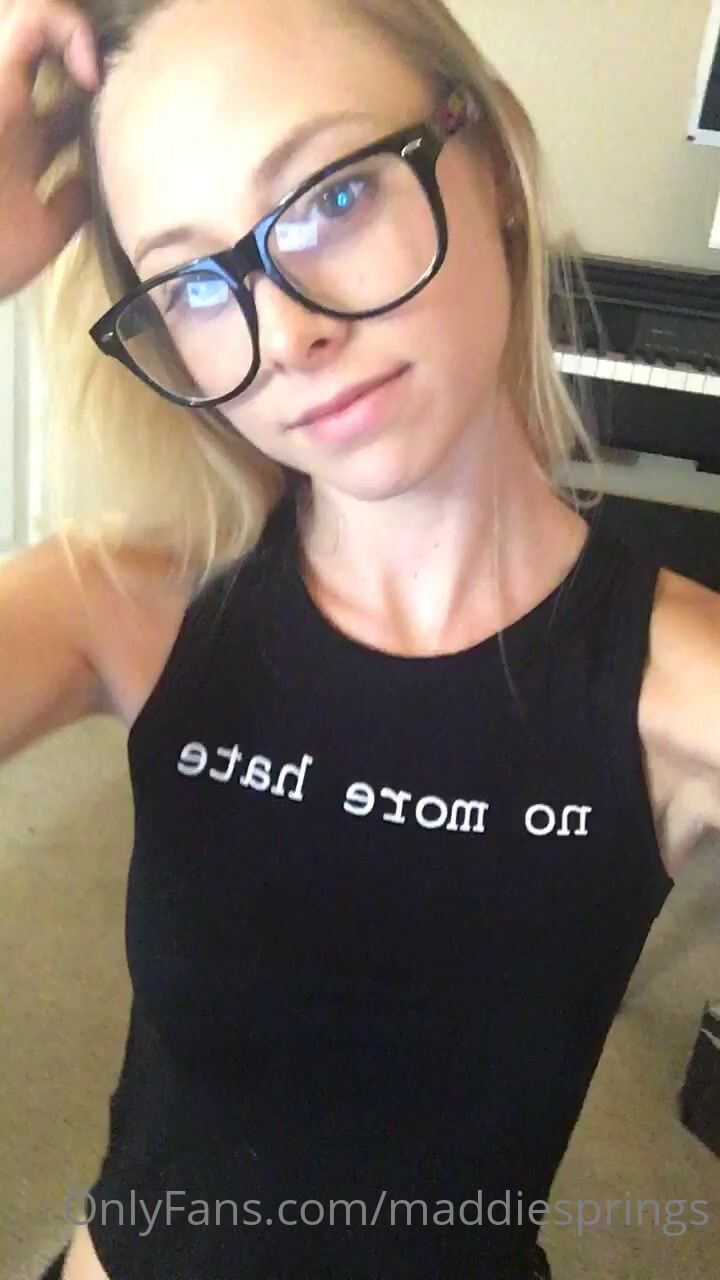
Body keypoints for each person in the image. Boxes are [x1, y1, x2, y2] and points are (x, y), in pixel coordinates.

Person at [1, 1, 719, 1278]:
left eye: (332, 196)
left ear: (490, 163)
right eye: (196, 280)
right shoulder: (126, 602)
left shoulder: (682, 693)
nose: (289, 334)